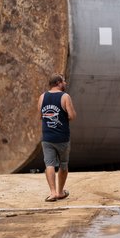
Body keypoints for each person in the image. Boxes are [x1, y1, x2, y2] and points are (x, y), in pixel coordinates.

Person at [37, 73, 77, 202]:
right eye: (64, 81)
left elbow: (40, 116)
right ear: (58, 83)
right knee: (63, 164)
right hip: (62, 137)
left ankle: (53, 192)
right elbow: (72, 116)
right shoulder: (65, 97)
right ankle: (60, 192)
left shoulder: (42, 97)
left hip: (47, 137)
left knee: (49, 164)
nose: (65, 84)